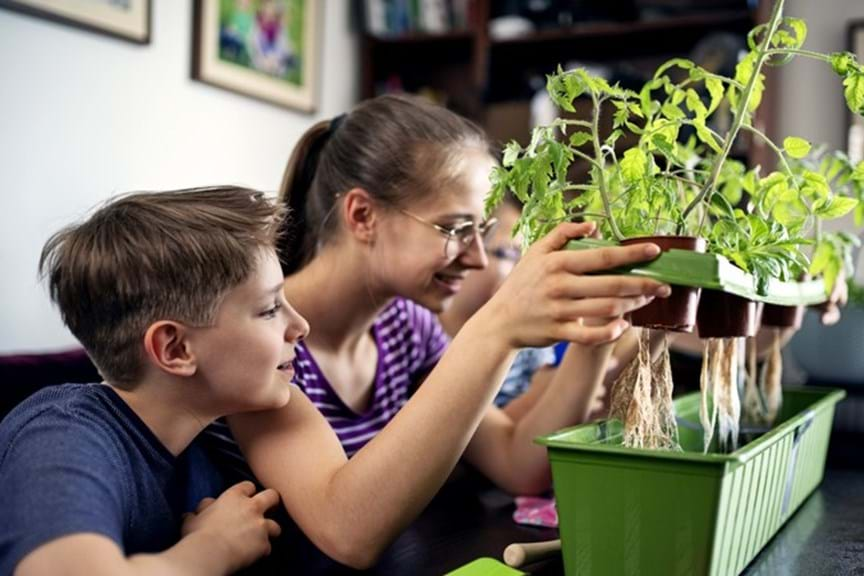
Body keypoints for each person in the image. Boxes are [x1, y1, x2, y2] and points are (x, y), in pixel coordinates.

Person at [207, 94, 671, 569]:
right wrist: (497, 326)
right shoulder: (261, 337)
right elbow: (347, 532)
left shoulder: (407, 328)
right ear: (362, 215)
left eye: (483, 230)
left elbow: (517, 463)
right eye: (455, 229)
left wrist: (597, 331)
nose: (479, 259)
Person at [0, 187, 295, 576]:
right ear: (174, 349)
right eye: (270, 309)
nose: (300, 326)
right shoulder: (62, 434)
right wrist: (212, 548)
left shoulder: (205, 445)